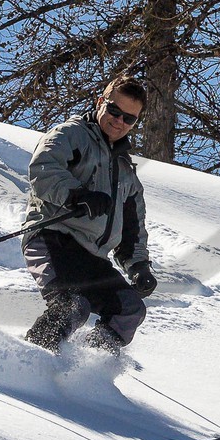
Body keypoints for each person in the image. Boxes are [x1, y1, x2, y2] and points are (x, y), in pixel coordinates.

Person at [22, 74, 157, 354]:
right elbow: (43, 168)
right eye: (114, 111)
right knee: (73, 305)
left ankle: (87, 369)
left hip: (92, 258)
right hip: (53, 239)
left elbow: (133, 231)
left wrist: (139, 266)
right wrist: (77, 195)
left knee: (129, 311)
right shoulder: (72, 135)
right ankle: (33, 358)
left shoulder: (127, 174)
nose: (119, 121)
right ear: (100, 103)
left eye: (129, 119)